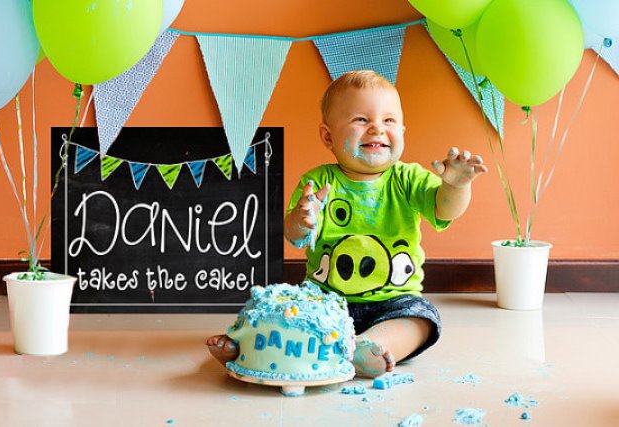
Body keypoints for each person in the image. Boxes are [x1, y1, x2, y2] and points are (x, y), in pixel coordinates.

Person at [207, 70, 488, 378]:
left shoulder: (408, 178)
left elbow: (444, 210)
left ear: (402, 131)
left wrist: (456, 186)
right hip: (325, 302)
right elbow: (293, 235)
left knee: (423, 319)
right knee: (280, 305)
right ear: (328, 136)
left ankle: (368, 347)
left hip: (392, 302)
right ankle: (245, 345)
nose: (377, 129)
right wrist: (302, 219)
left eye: (389, 120)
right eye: (361, 120)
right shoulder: (318, 182)